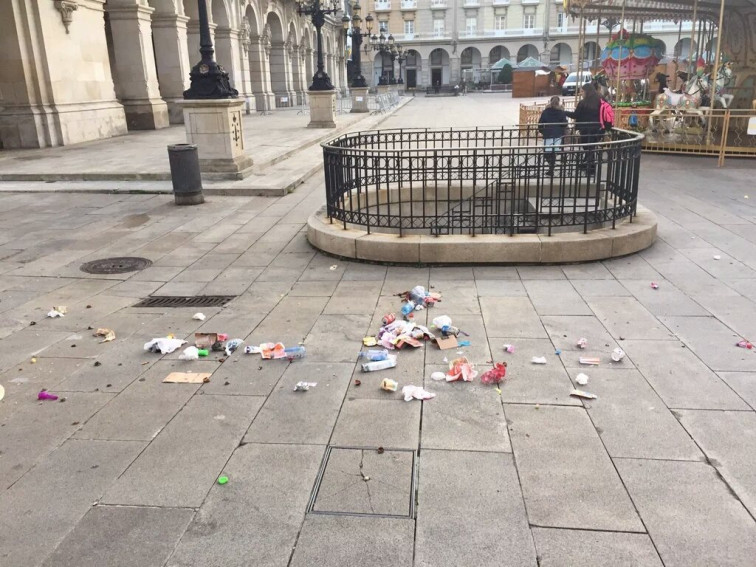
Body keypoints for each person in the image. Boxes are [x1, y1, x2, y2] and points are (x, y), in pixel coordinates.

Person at [565, 83, 603, 176]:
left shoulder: (583, 103)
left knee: (588, 148)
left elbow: (576, 115)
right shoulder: (600, 100)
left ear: (587, 91)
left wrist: (564, 112)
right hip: (598, 128)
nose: (581, 93)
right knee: (591, 147)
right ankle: (585, 164)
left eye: (582, 91)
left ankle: (591, 168)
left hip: (585, 129)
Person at [537, 96, 568, 177]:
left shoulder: (545, 112)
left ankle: (551, 167)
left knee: (547, 152)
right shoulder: (561, 112)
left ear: (550, 102)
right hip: (557, 134)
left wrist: (542, 131)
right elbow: (565, 124)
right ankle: (551, 168)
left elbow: (540, 123)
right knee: (554, 152)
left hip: (548, 134)